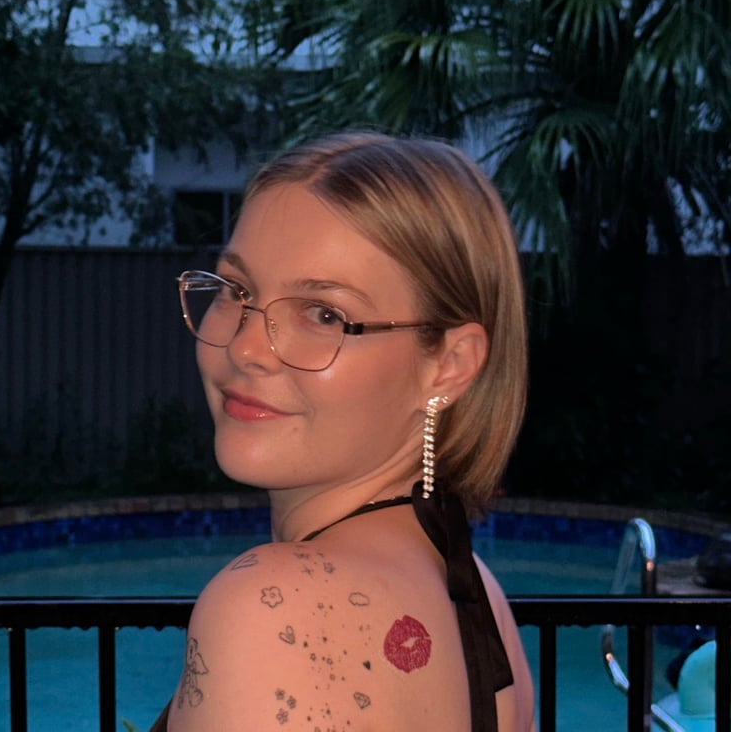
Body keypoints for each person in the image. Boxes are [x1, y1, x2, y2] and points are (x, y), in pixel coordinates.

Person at [153, 132, 536, 731]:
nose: (247, 346)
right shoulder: (472, 594)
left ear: (449, 364)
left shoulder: (271, 609)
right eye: (236, 291)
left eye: (324, 314)